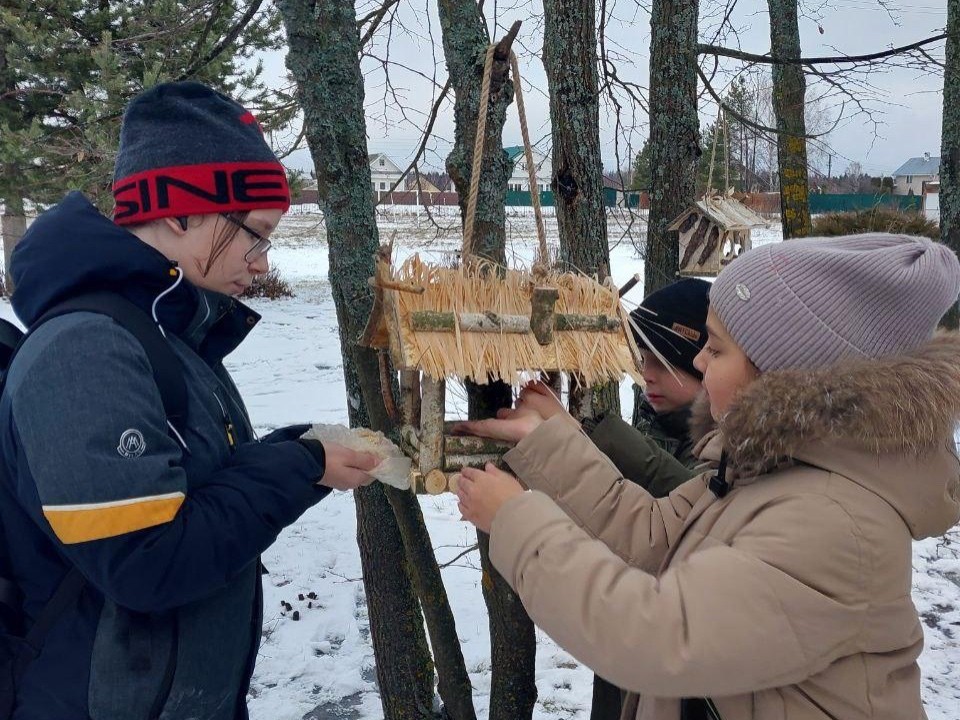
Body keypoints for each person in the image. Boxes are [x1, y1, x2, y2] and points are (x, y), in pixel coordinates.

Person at [455, 234, 960, 719]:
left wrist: (517, 520)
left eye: (715, 350)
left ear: (782, 376)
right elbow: (654, 536)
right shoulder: (768, 467)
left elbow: (659, 637)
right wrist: (547, 440)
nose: (696, 360)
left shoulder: (835, 523)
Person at [0, 82, 378, 720]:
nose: (261, 265)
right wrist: (298, 466)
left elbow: (189, 485)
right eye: (253, 235)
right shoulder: (88, 349)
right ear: (179, 212)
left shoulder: (164, 333)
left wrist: (293, 450)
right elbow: (147, 563)